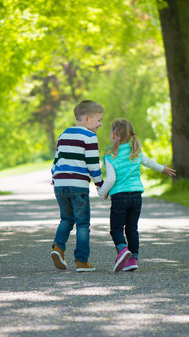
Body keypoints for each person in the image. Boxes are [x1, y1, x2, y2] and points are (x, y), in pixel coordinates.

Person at [97, 118, 176, 272]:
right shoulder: (135, 151)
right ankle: (133, 259)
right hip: (136, 197)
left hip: (119, 198)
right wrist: (162, 169)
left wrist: (102, 192)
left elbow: (111, 179)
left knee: (116, 229)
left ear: (114, 134)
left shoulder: (110, 155)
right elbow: (149, 162)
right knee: (132, 229)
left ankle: (122, 249)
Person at [50, 100, 105, 272]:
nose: (100, 124)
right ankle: (81, 261)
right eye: (99, 120)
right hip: (78, 185)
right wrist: (100, 184)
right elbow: (93, 164)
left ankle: (58, 248)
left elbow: (56, 160)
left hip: (60, 184)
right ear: (87, 118)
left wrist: (55, 176)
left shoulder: (63, 134)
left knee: (66, 219)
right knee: (82, 224)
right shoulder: (89, 136)